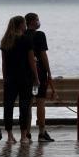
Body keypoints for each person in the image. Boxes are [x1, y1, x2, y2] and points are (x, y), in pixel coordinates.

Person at [0, 15, 38, 144]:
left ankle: (10, 136)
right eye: (24, 23)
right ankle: (23, 136)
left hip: (10, 78)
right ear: (20, 25)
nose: (25, 25)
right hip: (25, 78)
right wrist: (36, 78)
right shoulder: (26, 40)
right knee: (24, 106)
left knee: (8, 106)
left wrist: (5, 78)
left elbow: (4, 63)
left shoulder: (5, 42)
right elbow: (32, 61)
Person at [24, 12, 56, 142]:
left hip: (26, 74)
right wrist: (49, 72)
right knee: (40, 103)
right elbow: (43, 55)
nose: (39, 22)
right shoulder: (40, 35)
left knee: (28, 104)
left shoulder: (22, 35)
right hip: (40, 73)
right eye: (37, 20)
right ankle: (42, 133)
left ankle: (27, 133)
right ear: (32, 22)